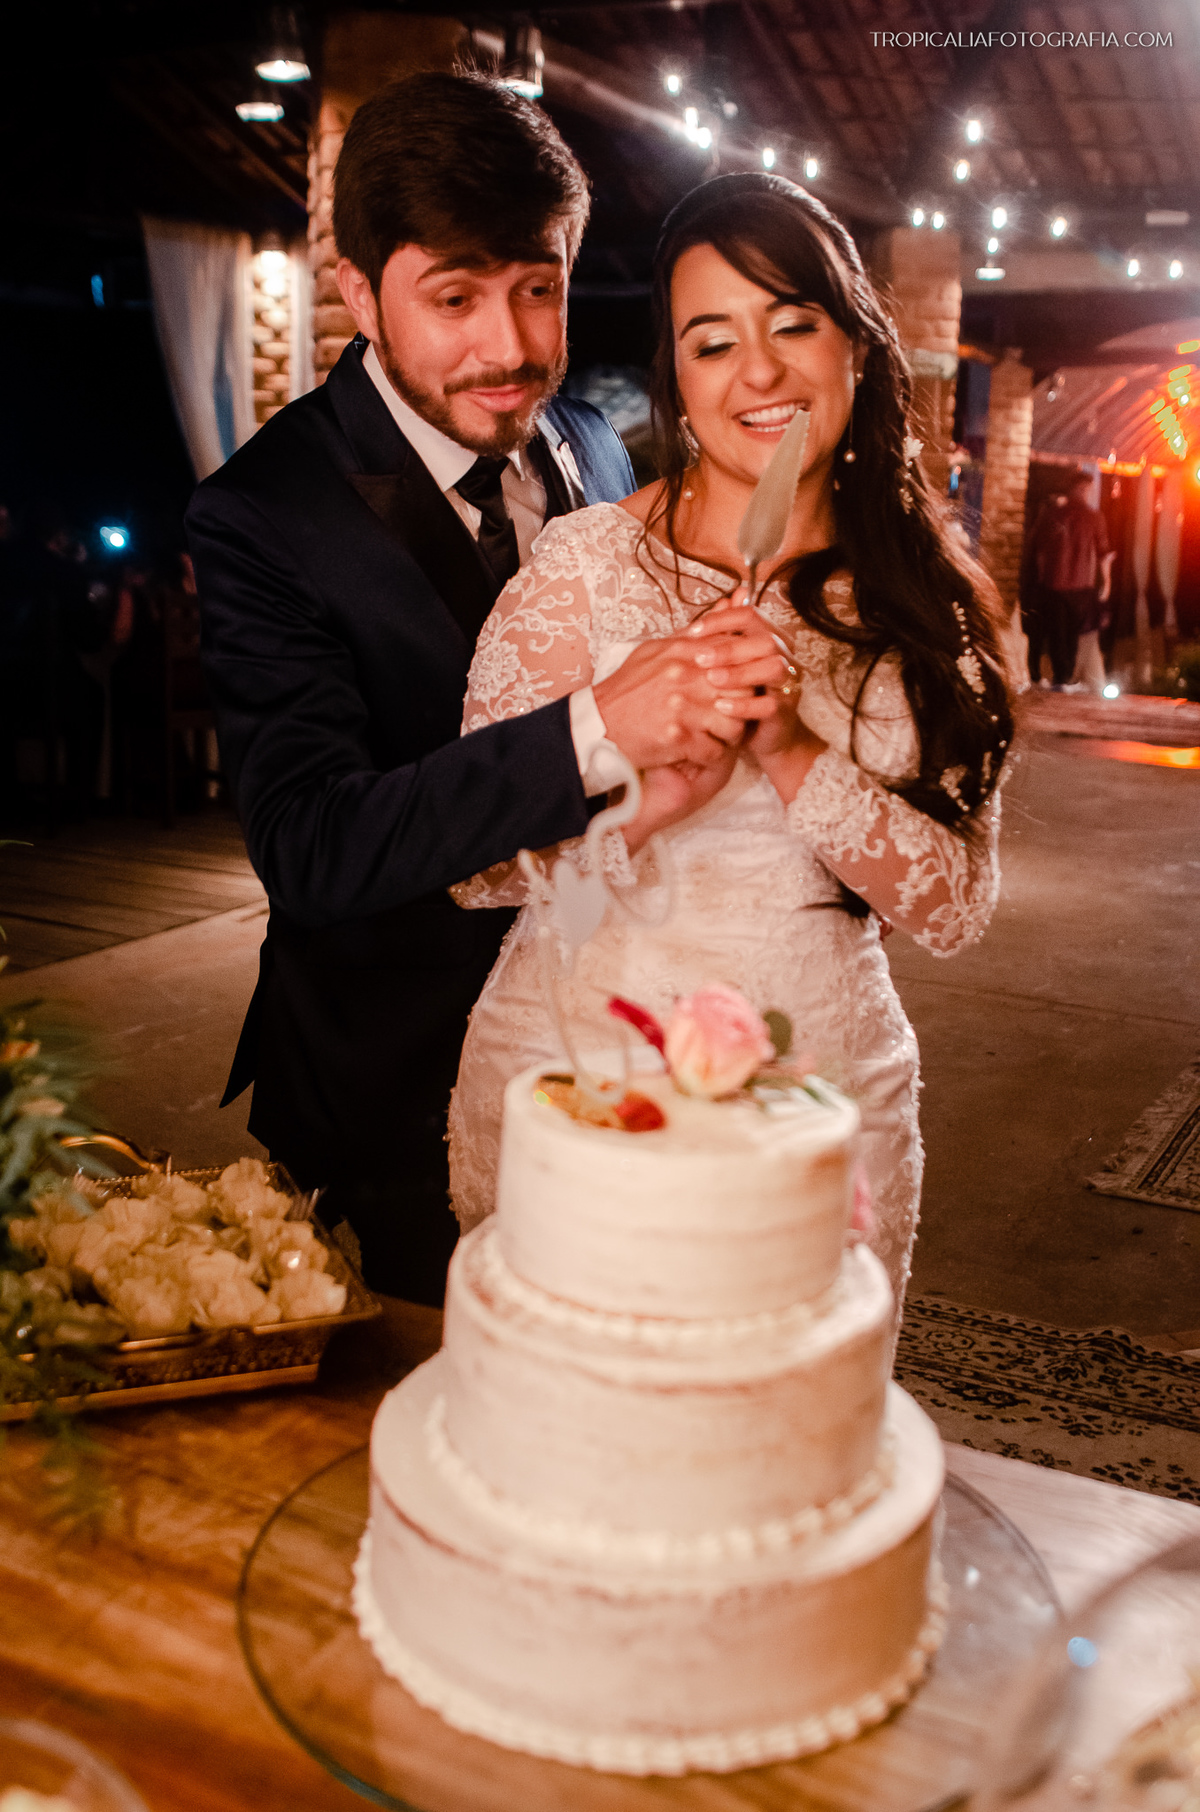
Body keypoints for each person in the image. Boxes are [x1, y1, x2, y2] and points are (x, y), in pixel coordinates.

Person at [186, 75, 782, 1305]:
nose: (509, 348)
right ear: (359, 291)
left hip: (602, 1049)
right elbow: (311, 847)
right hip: (388, 1087)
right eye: (454, 298)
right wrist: (594, 730)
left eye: (539, 289)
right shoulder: (260, 512)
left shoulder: (594, 447)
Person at [448, 172, 1016, 1310]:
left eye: (792, 325)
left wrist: (796, 749)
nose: (758, 372)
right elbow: (472, 870)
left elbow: (954, 907)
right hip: (578, 1077)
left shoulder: (927, 603)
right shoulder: (583, 568)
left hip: (825, 1095)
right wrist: (644, 793)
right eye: (713, 343)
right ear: (680, 380)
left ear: (856, 345)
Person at [1023, 471, 1113, 688]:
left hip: (1054, 582)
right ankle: (1065, 676)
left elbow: (1035, 548)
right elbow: (1104, 554)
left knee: (1057, 631)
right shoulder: (1093, 517)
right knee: (1071, 632)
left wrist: (1039, 578)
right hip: (1080, 584)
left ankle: (1060, 676)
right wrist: (1107, 583)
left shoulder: (1051, 515)